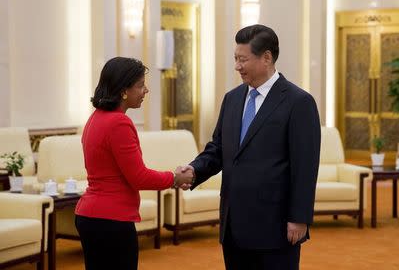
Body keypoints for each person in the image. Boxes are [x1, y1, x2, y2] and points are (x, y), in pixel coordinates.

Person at [182, 25, 321, 269]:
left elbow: (305, 167)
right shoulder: (232, 99)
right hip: (234, 227)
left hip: (275, 228)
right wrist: (194, 170)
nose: (237, 66)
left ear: (266, 57)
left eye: (242, 59)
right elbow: (218, 148)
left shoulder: (299, 102)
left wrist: (299, 218)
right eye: (235, 58)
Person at [75, 57, 193, 270]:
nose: (145, 90)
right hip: (111, 221)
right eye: (140, 85)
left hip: (90, 217)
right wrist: (175, 178)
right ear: (123, 91)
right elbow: (138, 177)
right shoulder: (119, 122)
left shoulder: (95, 118)